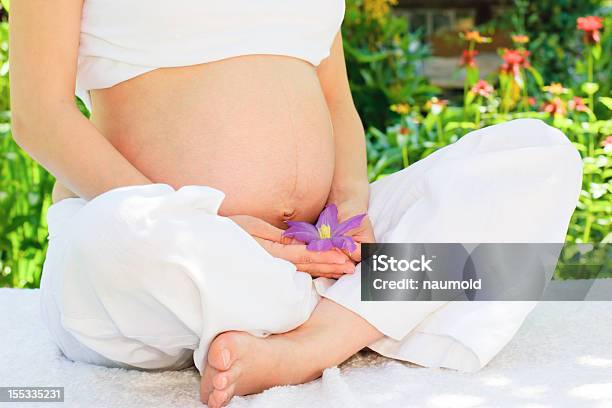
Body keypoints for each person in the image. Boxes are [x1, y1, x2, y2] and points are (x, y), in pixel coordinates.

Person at [9, 1, 582, 407]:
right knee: (114, 233)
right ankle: (369, 308)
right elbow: (39, 116)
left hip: (319, 254)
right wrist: (205, 222)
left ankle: (311, 342)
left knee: (537, 156)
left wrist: (353, 208)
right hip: (179, 256)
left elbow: (336, 98)